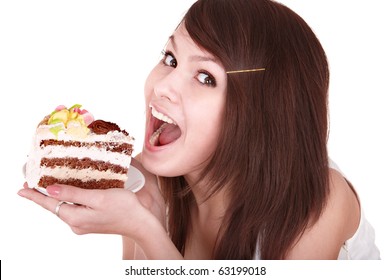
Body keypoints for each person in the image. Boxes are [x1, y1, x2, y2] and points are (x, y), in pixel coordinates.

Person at [18, 0, 380, 259]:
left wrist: (144, 230)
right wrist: (138, 224)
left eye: (205, 77)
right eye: (170, 59)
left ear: (261, 113)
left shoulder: (319, 202)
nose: (163, 86)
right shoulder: (145, 181)